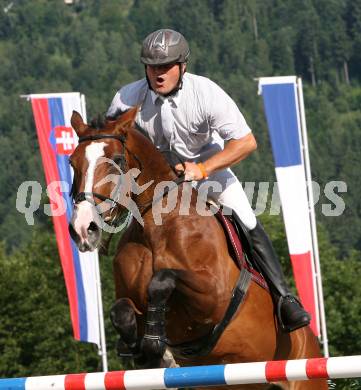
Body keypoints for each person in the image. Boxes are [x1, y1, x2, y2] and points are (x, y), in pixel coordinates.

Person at [107, 28, 311, 332]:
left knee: (246, 218)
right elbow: (110, 144)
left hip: (207, 172)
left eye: (165, 67)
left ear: (182, 66)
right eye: (152, 66)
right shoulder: (126, 98)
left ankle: (283, 298)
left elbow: (245, 142)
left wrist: (202, 169)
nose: (158, 73)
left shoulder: (205, 92)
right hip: (154, 183)